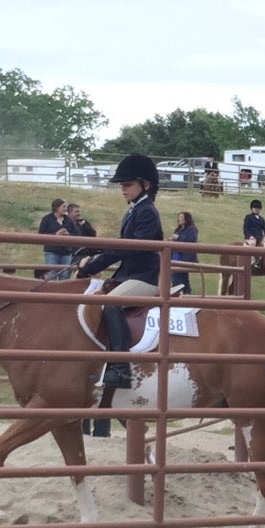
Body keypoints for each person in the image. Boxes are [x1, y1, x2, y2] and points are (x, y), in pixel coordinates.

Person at [79, 153, 164, 389]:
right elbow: (121, 245)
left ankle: (121, 368)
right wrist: (92, 255)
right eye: (122, 185)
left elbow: (129, 248)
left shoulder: (147, 212)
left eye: (127, 185)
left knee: (111, 303)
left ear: (145, 185)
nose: (123, 190)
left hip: (145, 278)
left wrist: (95, 265)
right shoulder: (134, 210)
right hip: (129, 275)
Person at [37, 199, 70, 279]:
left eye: (66, 207)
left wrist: (68, 234)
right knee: (52, 275)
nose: (66, 209)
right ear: (57, 207)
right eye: (64, 206)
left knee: (64, 276)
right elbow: (41, 234)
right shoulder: (47, 219)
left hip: (66, 252)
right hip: (51, 252)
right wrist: (55, 235)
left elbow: (76, 233)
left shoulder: (68, 220)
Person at [170, 210, 200, 294]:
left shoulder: (191, 230)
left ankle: (181, 293)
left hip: (185, 257)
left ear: (186, 219)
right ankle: (185, 293)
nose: (179, 219)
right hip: (176, 257)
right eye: (179, 217)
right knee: (179, 277)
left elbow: (191, 241)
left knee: (178, 277)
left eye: (181, 217)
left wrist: (178, 237)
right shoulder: (178, 230)